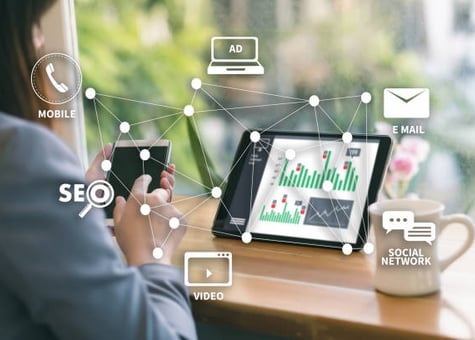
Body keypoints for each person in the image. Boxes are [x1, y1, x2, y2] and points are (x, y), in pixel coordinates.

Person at [0, 1, 197, 339]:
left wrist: (68, 206)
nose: (39, 43)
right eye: (34, 26)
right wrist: (152, 255)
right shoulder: (17, 153)